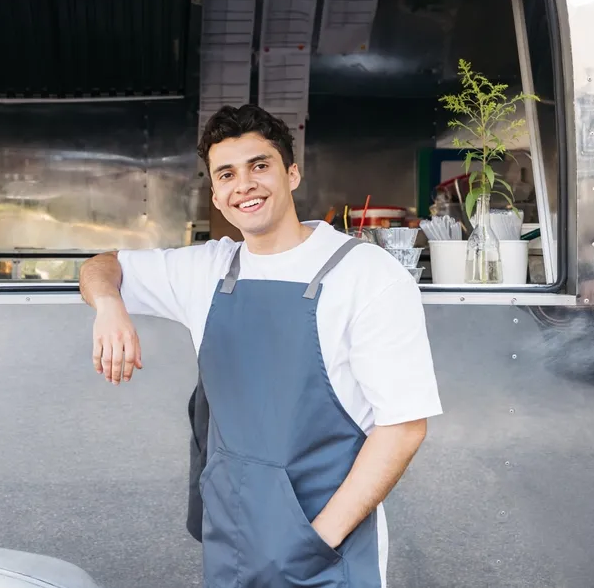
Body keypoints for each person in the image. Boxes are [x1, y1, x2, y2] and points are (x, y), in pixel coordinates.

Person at [79, 104, 442, 588]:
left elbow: (403, 428)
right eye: (226, 174)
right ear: (217, 194)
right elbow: (102, 265)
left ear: (291, 173)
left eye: (260, 166)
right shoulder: (207, 269)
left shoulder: (367, 276)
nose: (244, 184)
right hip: (232, 545)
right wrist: (108, 306)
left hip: (324, 554)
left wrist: (314, 543)